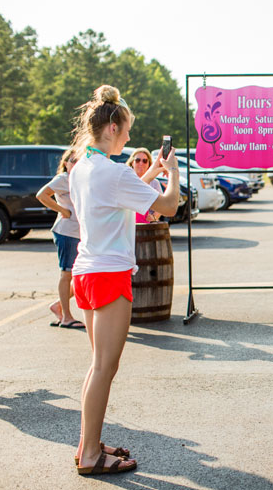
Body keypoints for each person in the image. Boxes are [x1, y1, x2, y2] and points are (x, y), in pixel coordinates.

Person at [68, 85, 180, 476]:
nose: (131, 137)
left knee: (96, 365)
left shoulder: (82, 167)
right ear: (113, 126)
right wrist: (174, 175)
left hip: (85, 273)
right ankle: (92, 457)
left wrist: (151, 171)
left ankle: (89, 443)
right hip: (109, 274)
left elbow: (121, 195)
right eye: (128, 129)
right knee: (105, 368)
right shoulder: (114, 173)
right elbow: (168, 206)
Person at [36, 149, 84, 328]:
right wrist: (62, 210)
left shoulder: (80, 179)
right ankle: (66, 317)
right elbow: (41, 195)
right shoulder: (63, 179)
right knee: (67, 274)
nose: (75, 163)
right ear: (65, 163)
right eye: (72, 160)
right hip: (66, 231)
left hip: (79, 232)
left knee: (80, 275)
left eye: (78, 160)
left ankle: (58, 305)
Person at [125, 148, 164, 223]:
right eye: (137, 160)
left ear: (149, 164)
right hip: (129, 223)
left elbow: (162, 205)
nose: (141, 163)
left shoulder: (154, 183)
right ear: (132, 162)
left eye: (145, 161)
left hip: (147, 225)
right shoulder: (127, 180)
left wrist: (154, 217)